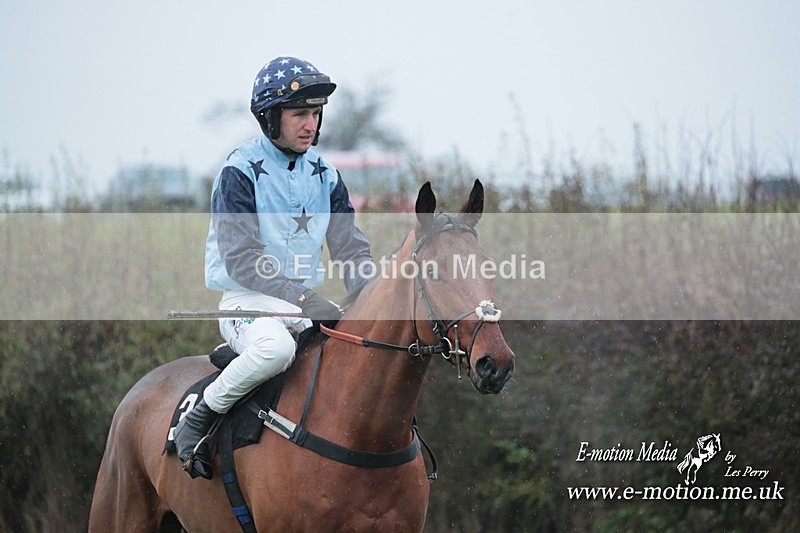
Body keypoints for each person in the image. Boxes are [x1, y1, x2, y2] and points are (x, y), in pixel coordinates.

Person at [173, 56, 374, 479]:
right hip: (247, 301)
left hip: (300, 308)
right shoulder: (239, 171)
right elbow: (242, 260)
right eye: (300, 113)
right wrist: (305, 298)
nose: (310, 124)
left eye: (315, 114)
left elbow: (351, 250)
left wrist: (370, 298)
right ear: (270, 117)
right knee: (275, 349)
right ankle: (201, 416)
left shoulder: (328, 175)